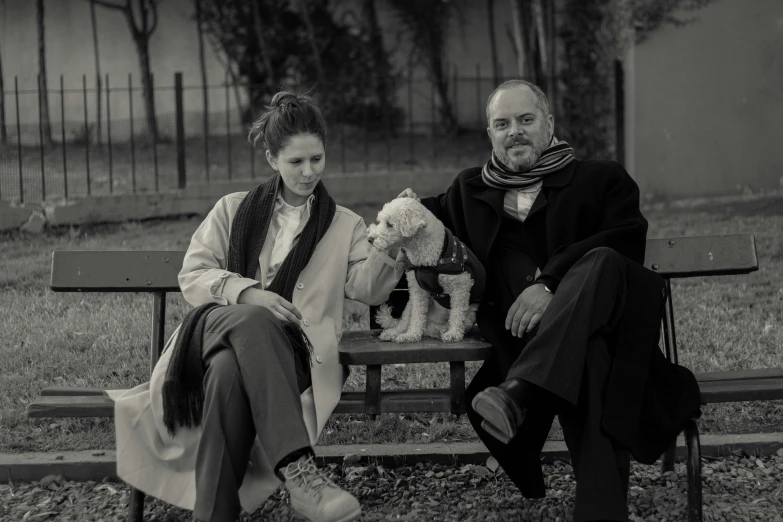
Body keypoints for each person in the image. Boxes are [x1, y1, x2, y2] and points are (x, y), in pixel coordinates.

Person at [398, 79, 701, 522]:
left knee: (601, 271)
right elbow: (412, 225)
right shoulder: (467, 191)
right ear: (490, 134)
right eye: (502, 124)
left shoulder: (602, 179)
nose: (514, 131)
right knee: (590, 358)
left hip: (602, 321)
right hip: (532, 344)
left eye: (526, 119)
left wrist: (550, 285)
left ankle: (522, 392)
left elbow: (628, 240)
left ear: (550, 123)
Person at [112, 91, 406, 522]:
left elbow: (370, 290)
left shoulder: (346, 225)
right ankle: (299, 472)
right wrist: (249, 293)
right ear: (272, 159)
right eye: (296, 162)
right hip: (212, 335)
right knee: (252, 318)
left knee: (231, 370)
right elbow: (192, 276)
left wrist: (391, 242)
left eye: (317, 159)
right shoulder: (231, 210)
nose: (309, 172)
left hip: (292, 352)